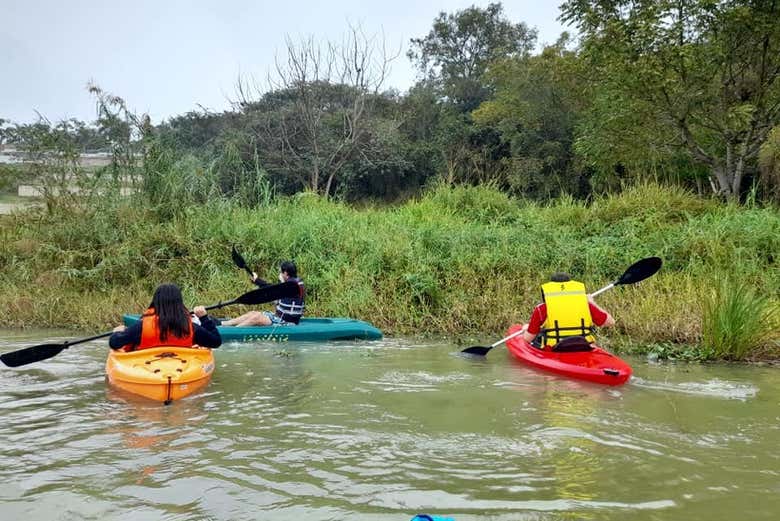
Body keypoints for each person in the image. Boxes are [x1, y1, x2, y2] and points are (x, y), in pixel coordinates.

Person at [109, 283, 222, 351]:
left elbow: (114, 343)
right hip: (181, 368)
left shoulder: (141, 327)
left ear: (155, 302)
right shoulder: (191, 328)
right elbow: (216, 342)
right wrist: (204, 318)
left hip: (148, 368)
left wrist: (117, 332)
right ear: (179, 303)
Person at [522, 272, 615, 350]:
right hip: (584, 348)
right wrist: (592, 303)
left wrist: (526, 329)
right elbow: (611, 322)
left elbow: (527, 339)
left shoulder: (542, 308)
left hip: (555, 350)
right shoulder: (586, 305)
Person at [221, 260, 305, 327]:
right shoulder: (290, 284)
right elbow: (272, 288)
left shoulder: (293, 286)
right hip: (277, 317)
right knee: (252, 313)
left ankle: (235, 331)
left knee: (256, 318)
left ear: (285, 273)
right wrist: (257, 280)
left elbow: (271, 289)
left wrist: (258, 281)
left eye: (281, 272)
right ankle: (222, 324)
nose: (279, 274)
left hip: (286, 322)